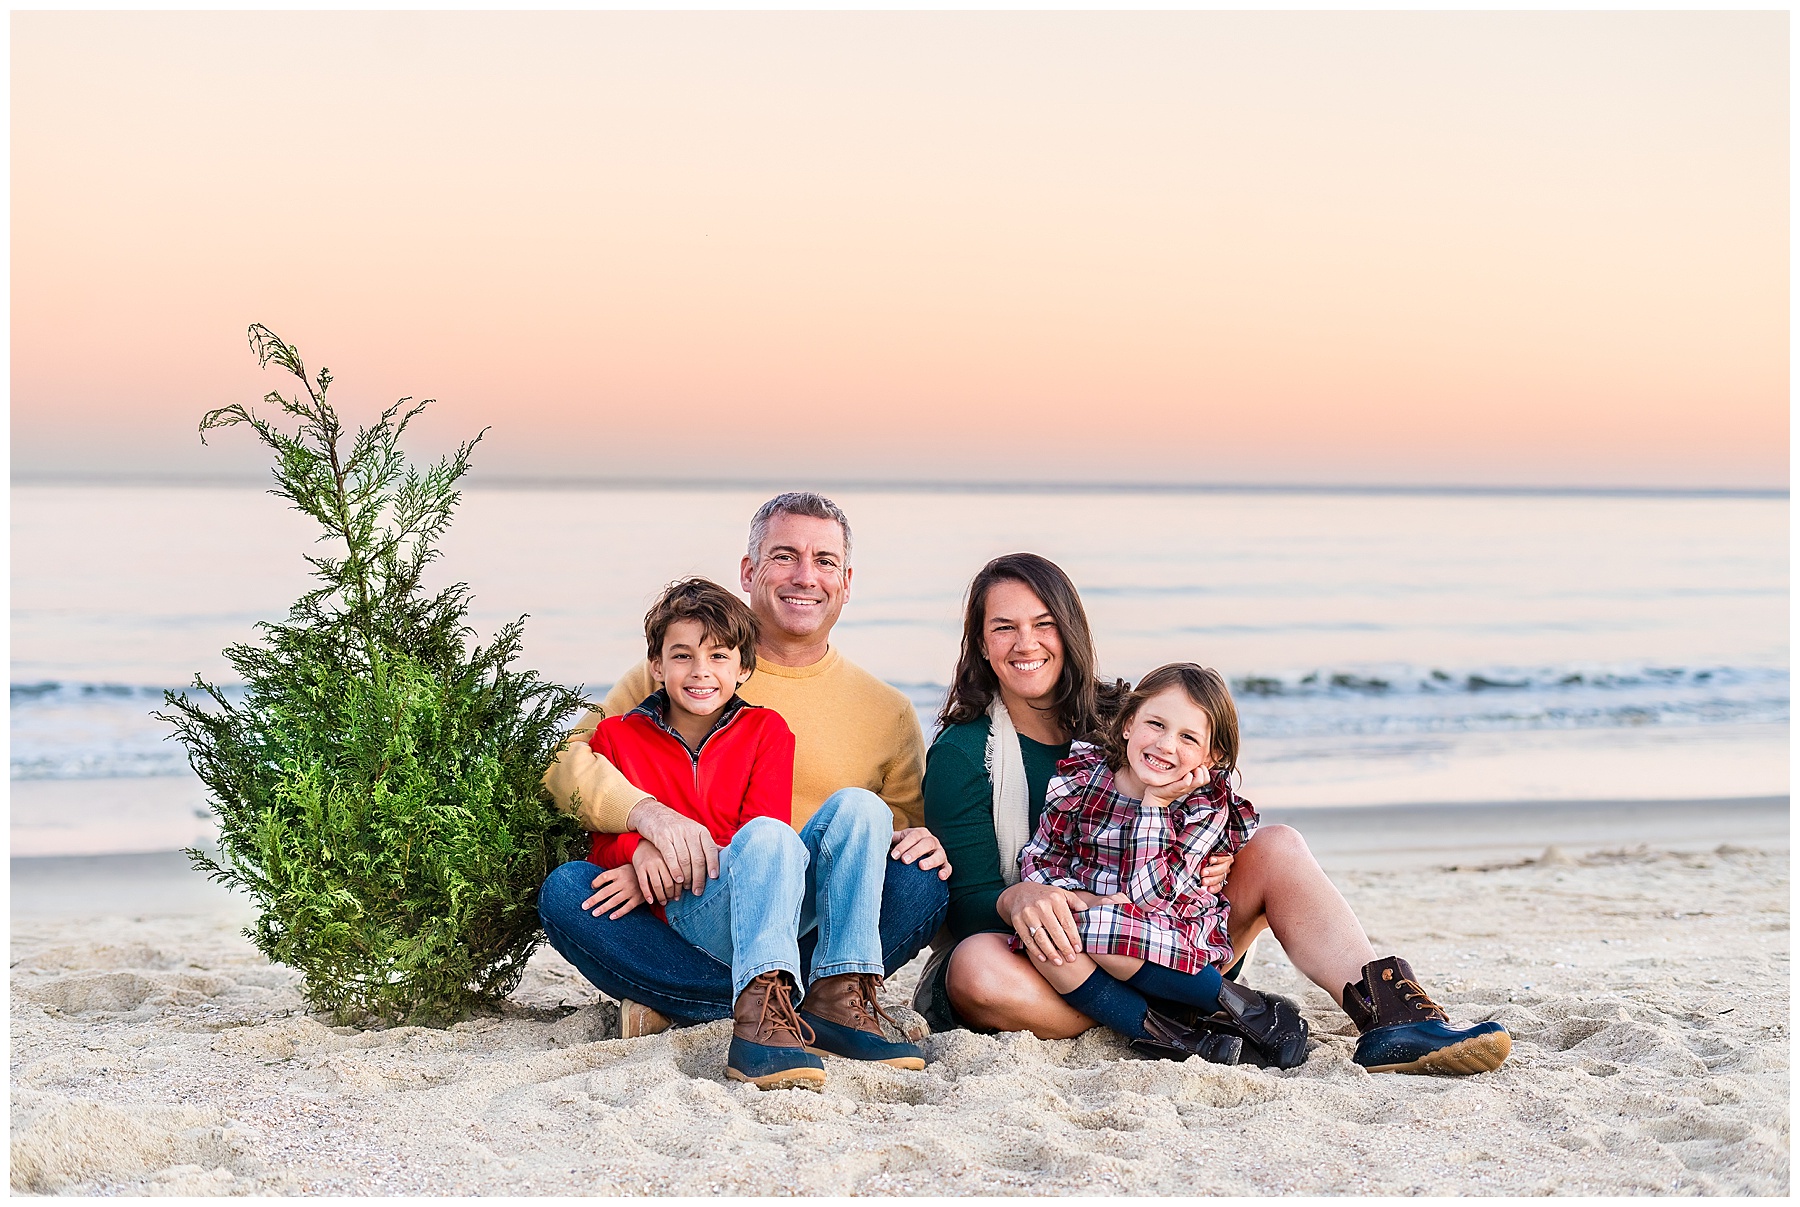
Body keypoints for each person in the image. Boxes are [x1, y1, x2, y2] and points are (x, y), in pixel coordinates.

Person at [917, 552, 1512, 1076]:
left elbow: (1214, 799)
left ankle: (1394, 1019)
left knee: (1277, 845)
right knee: (975, 970)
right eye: (1004, 628)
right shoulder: (966, 752)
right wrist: (1017, 897)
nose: (1026, 643)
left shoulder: (1126, 716)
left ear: (1070, 631)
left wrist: (1215, 854)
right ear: (981, 642)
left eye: (1044, 624)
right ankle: (1170, 1025)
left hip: (1165, 935)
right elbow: (964, 905)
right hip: (1048, 956)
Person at [538, 492, 951, 1041]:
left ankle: (705, 1003)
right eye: (785, 556)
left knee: (922, 883)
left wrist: (923, 842)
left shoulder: (888, 711)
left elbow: (884, 841)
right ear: (749, 571)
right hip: (688, 907)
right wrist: (646, 826)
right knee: (569, 890)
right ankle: (769, 1006)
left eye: (824, 561)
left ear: (846, 583)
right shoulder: (680, 673)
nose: (805, 576)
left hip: (807, 918)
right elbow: (565, 764)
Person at [578, 577, 923, 1089]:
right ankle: (757, 1020)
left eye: (719, 656)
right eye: (681, 656)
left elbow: (762, 835)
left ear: (743, 668)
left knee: (862, 809)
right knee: (570, 886)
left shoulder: (767, 731)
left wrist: (671, 855)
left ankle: (838, 993)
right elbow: (601, 837)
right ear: (656, 666)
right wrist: (635, 851)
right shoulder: (618, 736)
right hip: (691, 906)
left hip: (761, 895)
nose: (700, 672)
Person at [1005, 663, 1307, 1067]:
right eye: (1156, 724)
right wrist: (1075, 898)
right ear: (1129, 723)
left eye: (1187, 737)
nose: (1166, 745)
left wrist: (1156, 806)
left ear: (1211, 756)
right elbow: (1041, 858)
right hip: (1090, 920)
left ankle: (1250, 1009)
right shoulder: (1081, 780)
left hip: (1173, 932)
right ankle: (1172, 1037)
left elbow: (1148, 897)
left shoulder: (1203, 807)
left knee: (1101, 927)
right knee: (1046, 938)